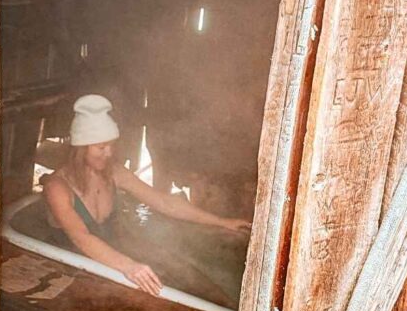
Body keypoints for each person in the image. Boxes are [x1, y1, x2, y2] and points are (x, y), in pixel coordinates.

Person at [43, 95, 251, 296]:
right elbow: (81, 238)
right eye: (101, 147)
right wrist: (129, 266)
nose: (109, 153)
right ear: (80, 148)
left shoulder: (113, 172)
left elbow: (163, 202)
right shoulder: (58, 187)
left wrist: (222, 222)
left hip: (113, 250)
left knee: (185, 270)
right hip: (71, 264)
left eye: (112, 146)